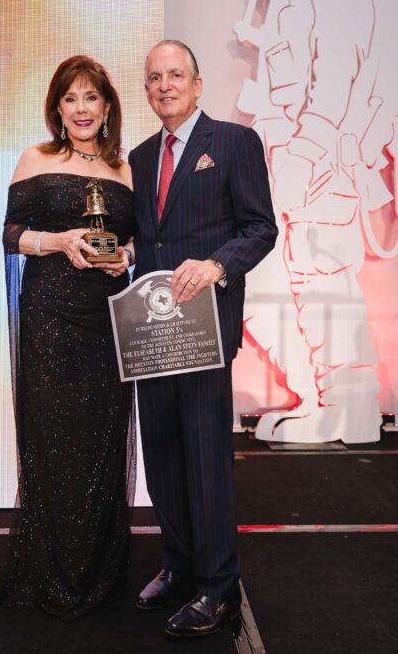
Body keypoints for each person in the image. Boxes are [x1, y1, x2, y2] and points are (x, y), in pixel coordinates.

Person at [126, 40, 277, 637]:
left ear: (197, 83)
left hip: (206, 332)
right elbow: (149, 238)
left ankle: (218, 586)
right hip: (151, 334)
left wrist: (217, 265)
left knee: (206, 460)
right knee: (163, 458)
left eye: (175, 75)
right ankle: (179, 564)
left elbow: (260, 228)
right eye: (154, 77)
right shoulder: (139, 157)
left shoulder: (235, 143)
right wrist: (126, 254)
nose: (165, 85)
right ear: (146, 89)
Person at [0, 55, 136, 621]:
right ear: (56, 108)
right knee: (53, 442)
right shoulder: (37, 158)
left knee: (101, 441)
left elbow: (140, 241)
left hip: (107, 320)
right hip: (49, 318)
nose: (81, 108)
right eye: (70, 98)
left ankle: (98, 572)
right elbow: (10, 235)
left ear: (107, 106)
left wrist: (126, 256)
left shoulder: (127, 170)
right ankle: (51, 572)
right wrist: (60, 241)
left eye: (91, 97)